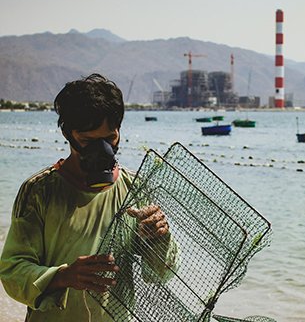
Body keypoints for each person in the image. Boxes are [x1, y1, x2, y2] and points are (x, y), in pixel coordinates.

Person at [0, 74, 178, 321]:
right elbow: (12, 271)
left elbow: (161, 274)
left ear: (119, 132)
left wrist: (159, 237)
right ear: (69, 135)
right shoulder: (39, 191)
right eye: (88, 140)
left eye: (109, 138)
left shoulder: (135, 188)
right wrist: (64, 276)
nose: (101, 149)